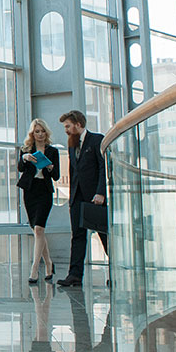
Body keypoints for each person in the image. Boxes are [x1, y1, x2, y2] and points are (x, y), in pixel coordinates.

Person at [57, 110, 107, 288]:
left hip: (95, 198)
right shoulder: (71, 145)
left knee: (104, 236)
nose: (66, 130)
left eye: (68, 126)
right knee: (77, 236)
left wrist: (101, 192)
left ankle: (115, 272)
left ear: (78, 124)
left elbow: (103, 167)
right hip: (77, 198)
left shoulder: (97, 140)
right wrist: (71, 197)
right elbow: (73, 172)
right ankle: (75, 275)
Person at [18, 118, 60, 284]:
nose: (40, 134)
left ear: (46, 132)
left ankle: (35, 268)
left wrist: (50, 168)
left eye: (42, 131)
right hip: (30, 191)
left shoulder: (53, 151)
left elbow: (56, 176)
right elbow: (20, 168)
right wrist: (25, 158)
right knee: (37, 231)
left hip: (44, 191)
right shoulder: (26, 149)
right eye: (37, 131)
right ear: (32, 133)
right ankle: (49, 264)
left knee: (39, 229)